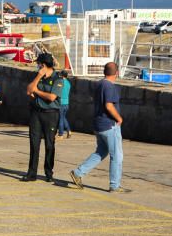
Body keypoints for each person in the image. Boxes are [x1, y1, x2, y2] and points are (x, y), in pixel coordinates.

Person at [69, 62, 129, 193]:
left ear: (104, 72)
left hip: (99, 124)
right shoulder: (109, 86)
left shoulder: (99, 84)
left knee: (101, 152)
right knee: (117, 156)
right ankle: (115, 185)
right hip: (109, 125)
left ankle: (78, 173)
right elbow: (109, 105)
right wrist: (119, 118)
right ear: (117, 73)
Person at [21, 53, 65, 182]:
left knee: (49, 144)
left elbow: (52, 97)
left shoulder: (58, 79)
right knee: (34, 143)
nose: (37, 66)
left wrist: (37, 92)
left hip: (51, 114)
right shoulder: (38, 77)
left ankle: (48, 173)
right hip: (36, 113)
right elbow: (29, 91)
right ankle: (31, 173)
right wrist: (39, 75)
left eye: (38, 64)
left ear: (43, 65)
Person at [57, 70, 72, 139]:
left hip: (61, 102)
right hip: (67, 103)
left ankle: (60, 134)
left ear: (62, 76)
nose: (59, 76)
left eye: (60, 75)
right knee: (63, 117)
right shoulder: (68, 83)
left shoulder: (60, 82)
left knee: (60, 118)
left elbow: (58, 91)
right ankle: (69, 131)